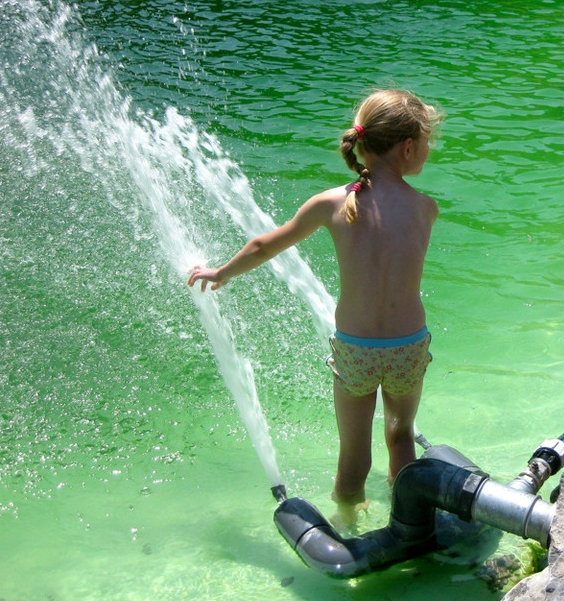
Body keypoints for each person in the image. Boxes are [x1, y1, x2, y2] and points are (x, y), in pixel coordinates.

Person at [188, 89, 442, 527]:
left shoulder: (331, 204)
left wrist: (222, 272)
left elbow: (264, 245)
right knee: (401, 437)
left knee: (353, 451)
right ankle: (408, 520)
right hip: (407, 347)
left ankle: (347, 521)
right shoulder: (425, 208)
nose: (427, 150)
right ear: (407, 148)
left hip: (357, 350)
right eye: (426, 142)